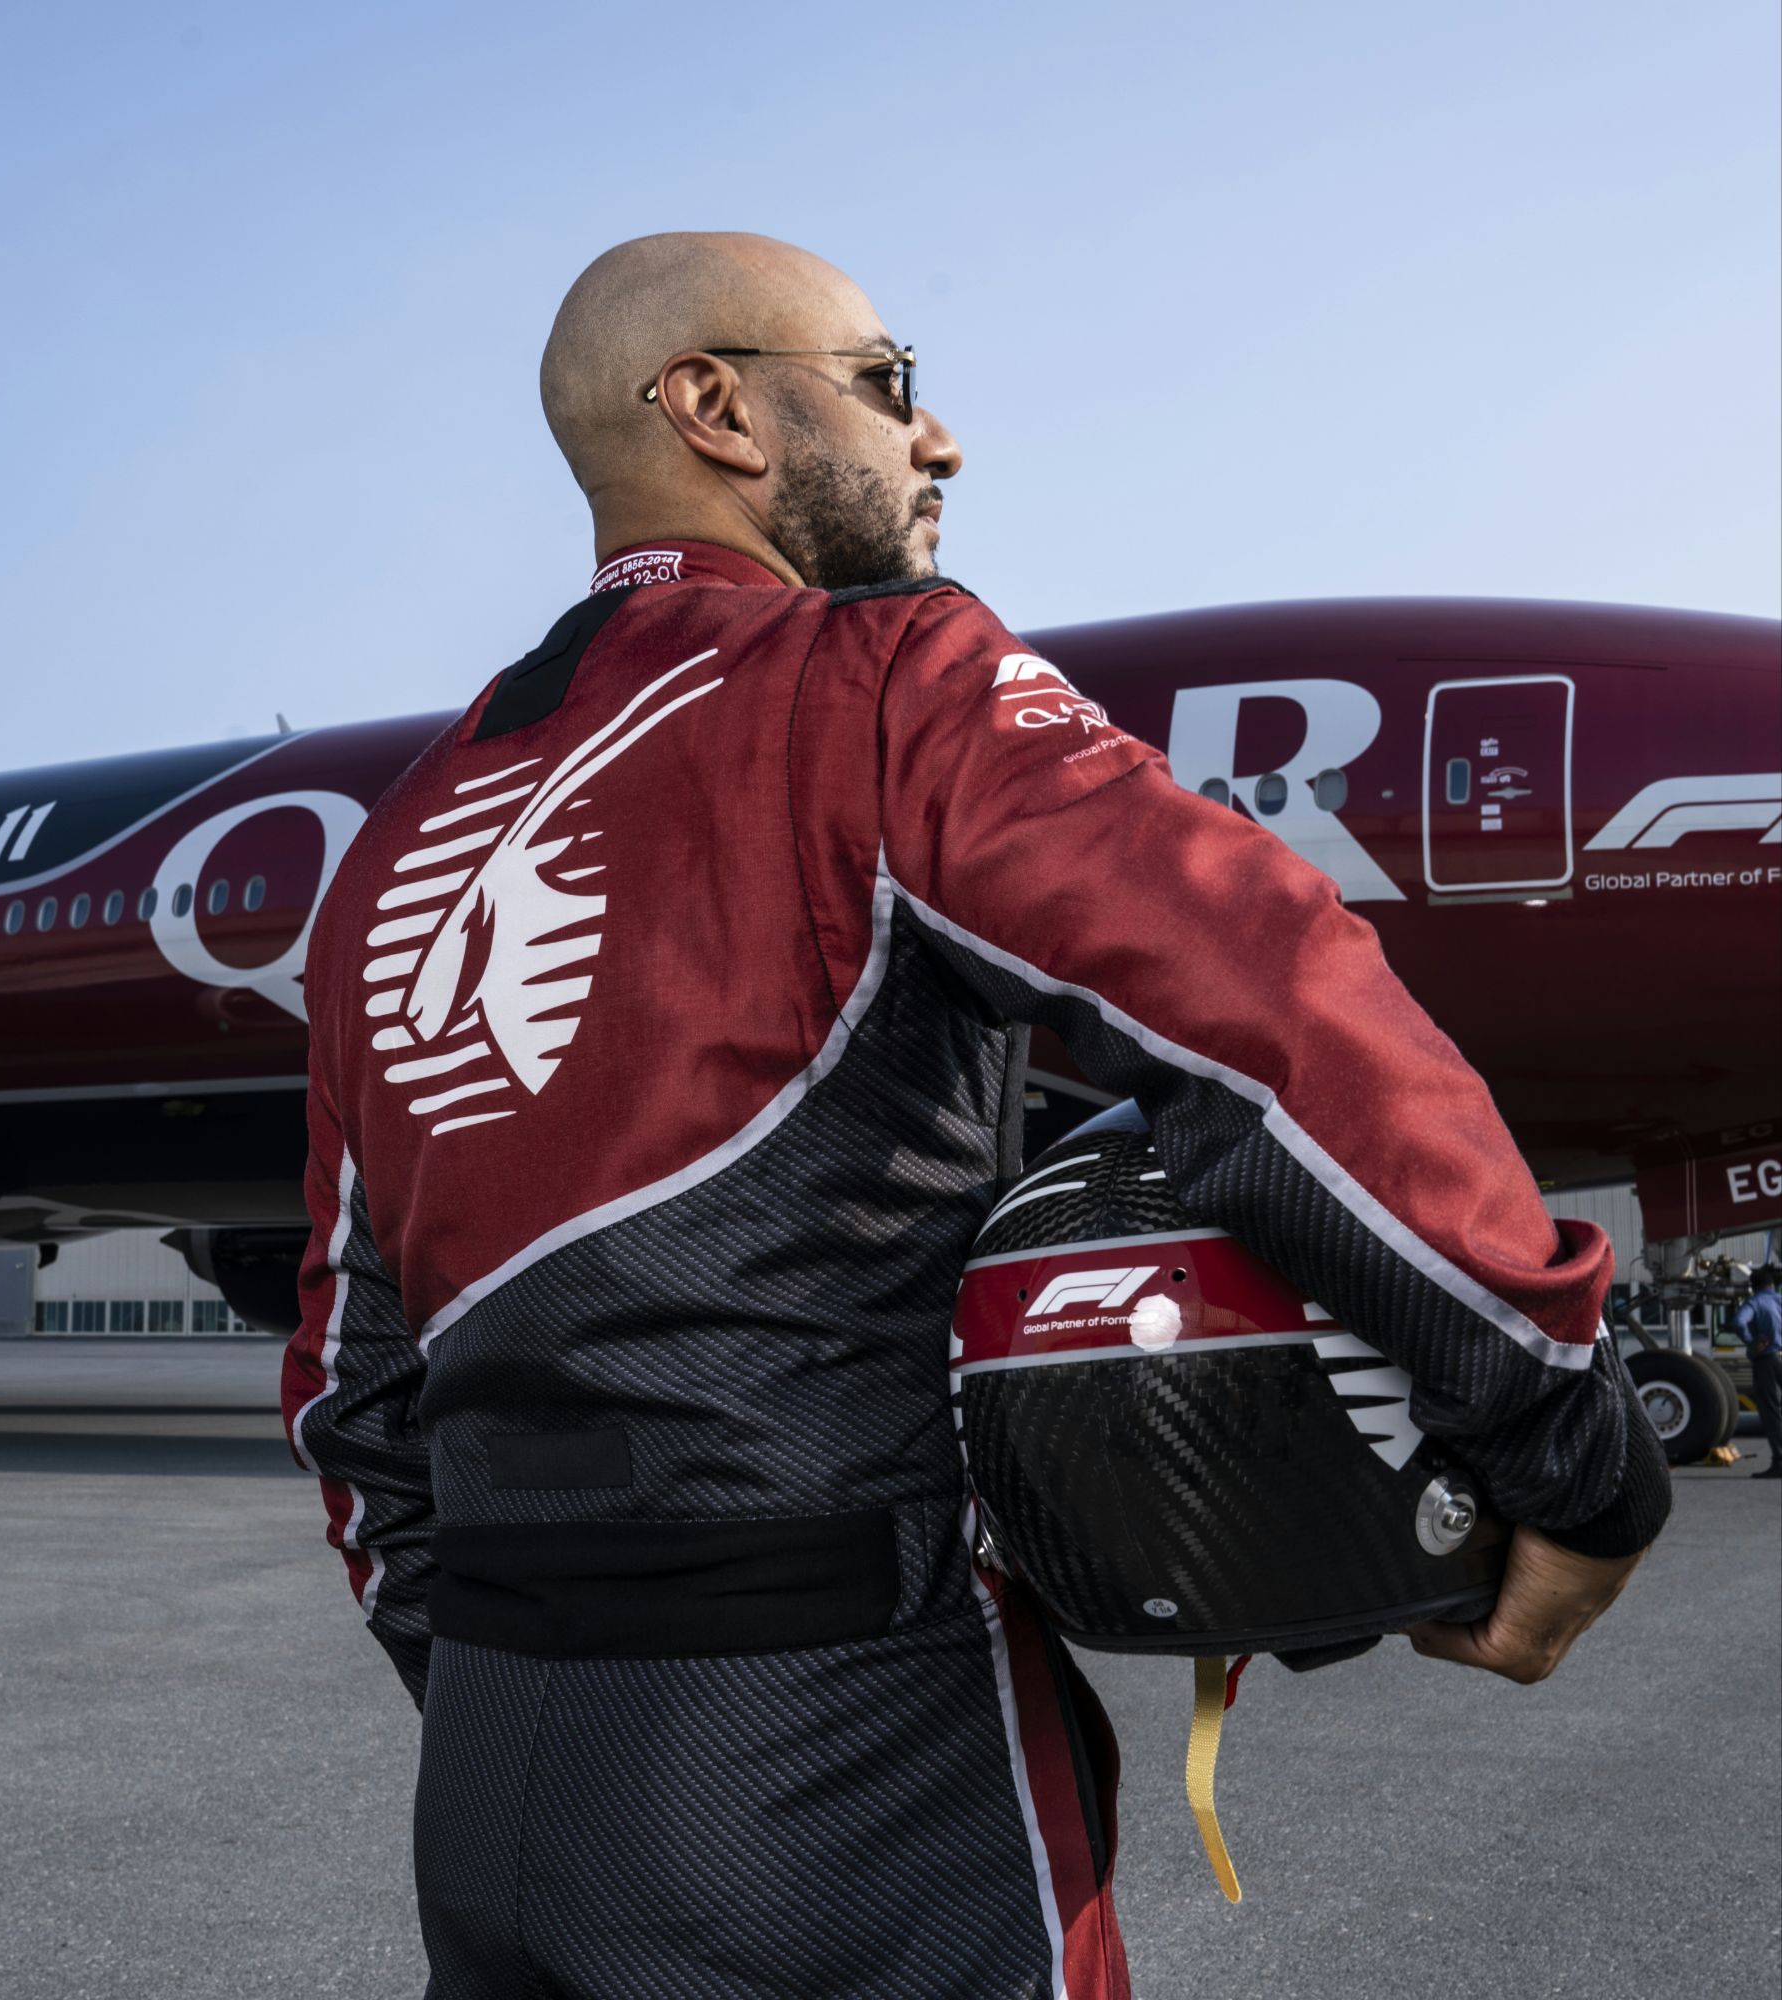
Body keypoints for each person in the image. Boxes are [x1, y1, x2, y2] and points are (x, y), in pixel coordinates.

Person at [282, 233, 1670, 1999]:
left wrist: (505, 1664)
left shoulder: (397, 839)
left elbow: (344, 1374)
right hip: (851, 1767)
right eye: (886, 384)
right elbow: (1273, 1016)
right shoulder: (877, 683)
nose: (937, 442)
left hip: (498, 1797)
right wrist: (1568, 1449)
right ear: (713, 409)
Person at [1734, 1264, 1782, 1478]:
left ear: (1753, 1287)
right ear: (1772, 1284)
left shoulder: (1755, 1302)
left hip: (1767, 1359)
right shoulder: (1779, 1299)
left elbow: (1738, 1321)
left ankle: (1779, 1462)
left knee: (1771, 1411)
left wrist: (1750, 1341)